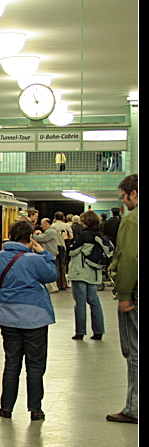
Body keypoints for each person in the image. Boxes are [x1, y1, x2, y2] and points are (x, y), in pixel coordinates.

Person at [0, 219, 58, 421]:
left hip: (8, 316)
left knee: (11, 363)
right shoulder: (34, 259)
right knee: (35, 365)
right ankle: (35, 409)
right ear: (30, 238)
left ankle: (6, 408)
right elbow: (51, 275)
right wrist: (43, 252)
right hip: (34, 318)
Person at [107, 175, 138, 424]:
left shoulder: (132, 219)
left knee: (134, 350)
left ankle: (133, 408)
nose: (123, 201)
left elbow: (129, 257)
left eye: (123, 196)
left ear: (134, 194)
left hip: (135, 290)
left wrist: (125, 294)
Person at [65, 210, 106, 340]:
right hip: (93, 272)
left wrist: (68, 241)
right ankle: (99, 330)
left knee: (80, 303)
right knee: (94, 302)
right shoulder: (99, 235)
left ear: (85, 222)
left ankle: (80, 331)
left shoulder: (84, 235)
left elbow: (72, 251)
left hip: (80, 271)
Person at [32, 218, 63, 293]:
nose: (41, 226)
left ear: (46, 224)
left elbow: (40, 238)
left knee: (49, 269)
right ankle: (52, 287)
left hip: (50, 252)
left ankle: (53, 287)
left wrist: (32, 235)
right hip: (50, 252)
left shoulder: (50, 232)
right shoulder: (49, 231)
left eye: (42, 224)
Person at [50, 212, 73, 290]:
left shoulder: (52, 226)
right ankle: (63, 284)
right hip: (63, 246)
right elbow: (71, 236)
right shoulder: (66, 226)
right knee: (63, 266)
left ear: (55, 218)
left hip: (55, 247)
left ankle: (57, 284)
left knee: (56, 265)